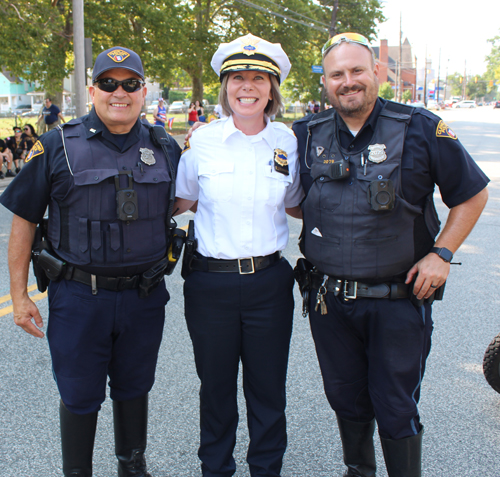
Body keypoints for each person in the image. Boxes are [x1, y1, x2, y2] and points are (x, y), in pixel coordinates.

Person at [292, 32, 489, 477]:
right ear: (325, 81)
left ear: (376, 72)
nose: (348, 81)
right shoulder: (305, 134)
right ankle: (358, 471)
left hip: (398, 301)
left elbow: (472, 194)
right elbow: (288, 197)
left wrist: (442, 253)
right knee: (345, 398)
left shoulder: (420, 127)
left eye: (357, 70)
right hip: (330, 302)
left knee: (396, 405)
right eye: (337, 74)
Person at [0, 46, 181, 477]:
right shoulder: (57, 144)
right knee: (80, 394)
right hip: (80, 298)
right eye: (108, 82)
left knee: (135, 387)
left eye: (130, 83)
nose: (120, 92)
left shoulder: (165, 146)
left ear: (142, 91)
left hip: (144, 296)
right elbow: (24, 222)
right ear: (93, 88)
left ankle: (131, 466)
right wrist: (19, 296)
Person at [174, 33, 303, 477]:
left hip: (270, 282)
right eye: (237, 79)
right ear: (225, 87)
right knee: (216, 389)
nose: (247, 87)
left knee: (268, 390)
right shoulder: (202, 142)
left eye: (258, 78)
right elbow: (182, 200)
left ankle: (266, 470)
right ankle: (216, 468)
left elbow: (299, 202)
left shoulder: (289, 142)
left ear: (272, 88)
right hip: (211, 283)